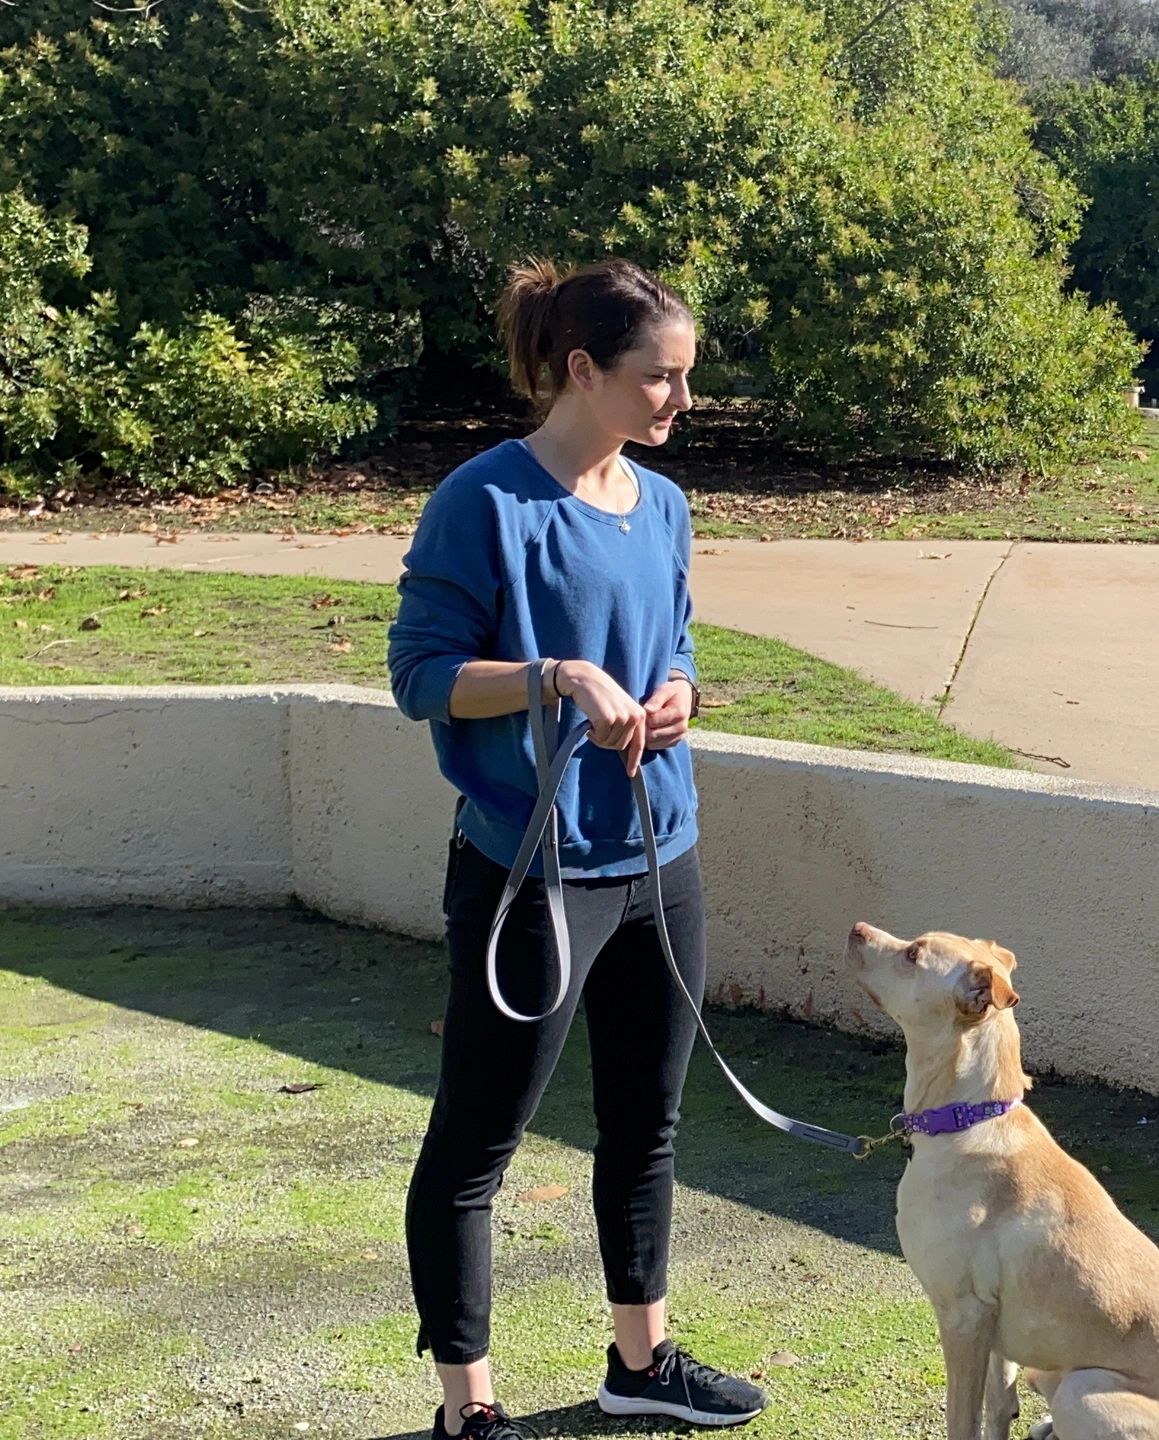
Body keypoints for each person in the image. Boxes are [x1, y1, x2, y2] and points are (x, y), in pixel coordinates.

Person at [387, 258, 767, 1438]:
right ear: (583, 370)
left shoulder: (662, 504)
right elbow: (420, 678)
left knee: (647, 1125)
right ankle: (469, 1409)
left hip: (661, 860)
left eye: (687, 378)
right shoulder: (483, 501)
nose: (680, 402)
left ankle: (639, 1364)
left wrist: (678, 698)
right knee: (477, 1145)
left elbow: (683, 642)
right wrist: (555, 677)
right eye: (662, 378)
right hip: (528, 875)